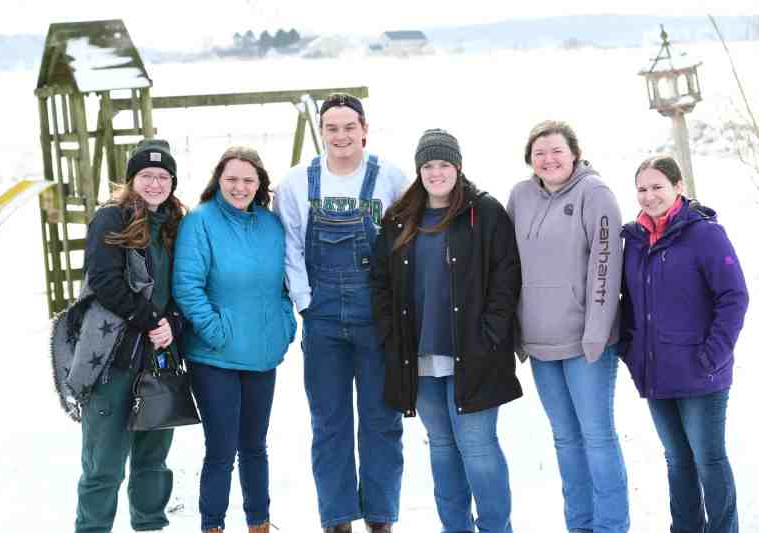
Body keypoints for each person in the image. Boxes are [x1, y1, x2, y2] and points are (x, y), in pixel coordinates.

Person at [370, 129, 523, 532]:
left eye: (444, 164)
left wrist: (489, 335)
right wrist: (391, 334)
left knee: (477, 448)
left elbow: (506, 278)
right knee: (441, 447)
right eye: (427, 165)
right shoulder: (401, 218)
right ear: (419, 170)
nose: (436, 173)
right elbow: (381, 282)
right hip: (418, 356)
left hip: (473, 355)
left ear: (458, 167)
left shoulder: (484, 212)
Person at [273, 93, 406, 533]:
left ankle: (380, 517)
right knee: (328, 424)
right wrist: (306, 301)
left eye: (350, 127)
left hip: (377, 319)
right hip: (323, 318)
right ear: (321, 131)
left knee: (381, 422)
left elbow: (407, 243)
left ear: (365, 129)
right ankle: (337, 519)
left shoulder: (390, 177)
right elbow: (290, 245)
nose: (341, 136)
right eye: (332, 128)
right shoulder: (297, 182)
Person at [505, 120, 629, 533]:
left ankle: (610, 526)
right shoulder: (520, 197)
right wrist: (515, 331)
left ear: (574, 153)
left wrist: (596, 332)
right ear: (530, 160)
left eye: (557, 150)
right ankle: (580, 524)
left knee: (597, 438)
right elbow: (507, 265)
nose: (549, 159)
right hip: (540, 343)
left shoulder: (596, 195)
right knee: (565, 441)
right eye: (539, 153)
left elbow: (605, 268)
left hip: (586, 343)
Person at [621, 155, 749, 533]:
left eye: (657, 186)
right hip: (656, 372)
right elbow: (627, 302)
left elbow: (734, 296)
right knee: (677, 460)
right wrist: (630, 350)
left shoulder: (704, 234)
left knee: (708, 460)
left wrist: (713, 355)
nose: (649, 196)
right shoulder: (635, 240)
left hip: (701, 372)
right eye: (642, 189)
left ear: (679, 188)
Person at [173, 147, 296, 533]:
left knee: (255, 447)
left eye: (248, 180)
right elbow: (187, 287)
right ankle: (213, 524)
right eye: (232, 179)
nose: (239, 187)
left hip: (262, 354)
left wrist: (283, 325)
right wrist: (216, 331)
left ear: (259, 184)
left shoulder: (270, 225)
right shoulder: (201, 222)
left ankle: (258, 522)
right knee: (222, 450)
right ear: (218, 180)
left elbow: (284, 284)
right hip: (215, 358)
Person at [67, 139, 186, 533]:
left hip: (160, 360)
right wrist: (151, 319)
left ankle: (150, 525)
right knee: (104, 465)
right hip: (114, 358)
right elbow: (104, 280)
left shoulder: (175, 223)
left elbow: (186, 285)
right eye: (146, 175)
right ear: (132, 179)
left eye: (163, 176)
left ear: (172, 181)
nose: (155, 183)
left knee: (153, 463)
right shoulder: (111, 219)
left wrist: (174, 322)